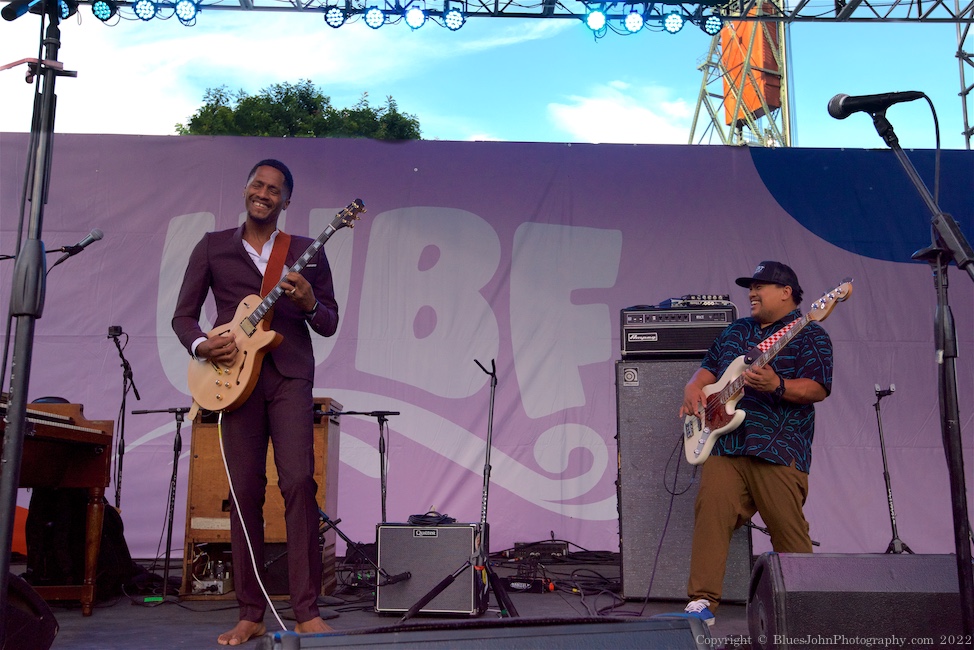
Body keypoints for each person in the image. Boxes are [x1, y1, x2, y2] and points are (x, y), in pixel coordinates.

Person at [173, 159, 340, 646]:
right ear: (247, 190)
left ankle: (305, 608)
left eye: (274, 189)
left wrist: (308, 300)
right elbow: (183, 317)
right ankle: (251, 612)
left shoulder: (305, 252)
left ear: (286, 201)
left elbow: (328, 322)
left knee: (297, 484)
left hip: (288, 377)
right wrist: (203, 345)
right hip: (231, 380)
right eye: (257, 184)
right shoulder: (212, 247)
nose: (263, 193)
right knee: (243, 493)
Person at [678, 261, 833, 627]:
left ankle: (805, 607)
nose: (752, 292)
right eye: (750, 286)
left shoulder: (811, 333)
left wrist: (777, 385)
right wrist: (691, 389)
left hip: (777, 447)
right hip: (727, 444)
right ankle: (701, 603)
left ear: (787, 293)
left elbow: (818, 387)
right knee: (710, 514)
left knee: (788, 532)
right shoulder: (736, 331)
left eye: (761, 286)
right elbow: (707, 372)